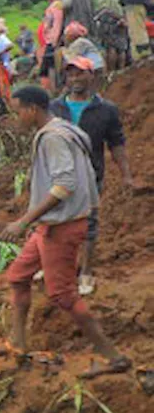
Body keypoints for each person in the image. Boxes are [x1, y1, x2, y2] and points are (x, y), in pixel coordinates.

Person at [1, 86, 130, 377]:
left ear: (32, 109)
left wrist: (24, 220)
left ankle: (113, 357)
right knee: (18, 276)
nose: (16, 117)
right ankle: (17, 344)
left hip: (61, 226)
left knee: (63, 295)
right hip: (51, 224)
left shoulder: (53, 139)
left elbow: (64, 185)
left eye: (18, 110)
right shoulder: (63, 129)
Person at [48, 57, 134, 296]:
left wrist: (126, 174)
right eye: (71, 74)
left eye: (80, 74)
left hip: (90, 174)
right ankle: (58, 267)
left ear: (92, 76)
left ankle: (86, 272)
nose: (75, 79)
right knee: (56, 220)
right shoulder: (55, 108)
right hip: (58, 174)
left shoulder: (106, 110)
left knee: (88, 223)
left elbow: (116, 143)